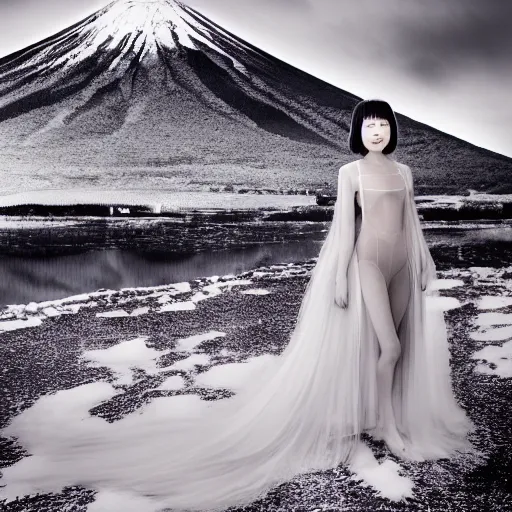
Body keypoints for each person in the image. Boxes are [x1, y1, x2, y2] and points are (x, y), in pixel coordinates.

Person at [0, 99, 473, 511]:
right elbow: (345, 231)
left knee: (397, 347)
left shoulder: (404, 172)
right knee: (388, 348)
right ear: (358, 131)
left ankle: (379, 415)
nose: (376, 130)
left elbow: (411, 223)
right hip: (367, 263)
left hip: (402, 264)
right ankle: (387, 427)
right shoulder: (350, 173)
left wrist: (426, 262)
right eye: (368, 124)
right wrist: (337, 277)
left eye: (383, 123)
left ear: (392, 129)